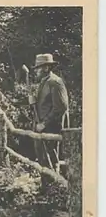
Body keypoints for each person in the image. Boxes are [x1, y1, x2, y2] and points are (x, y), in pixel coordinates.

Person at [30, 53, 70, 192]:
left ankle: (55, 191)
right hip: (42, 128)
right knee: (43, 159)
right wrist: (33, 101)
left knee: (52, 159)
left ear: (46, 67)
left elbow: (61, 107)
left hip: (51, 128)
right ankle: (47, 189)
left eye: (39, 68)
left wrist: (44, 123)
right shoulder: (44, 82)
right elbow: (44, 104)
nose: (36, 71)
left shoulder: (55, 82)